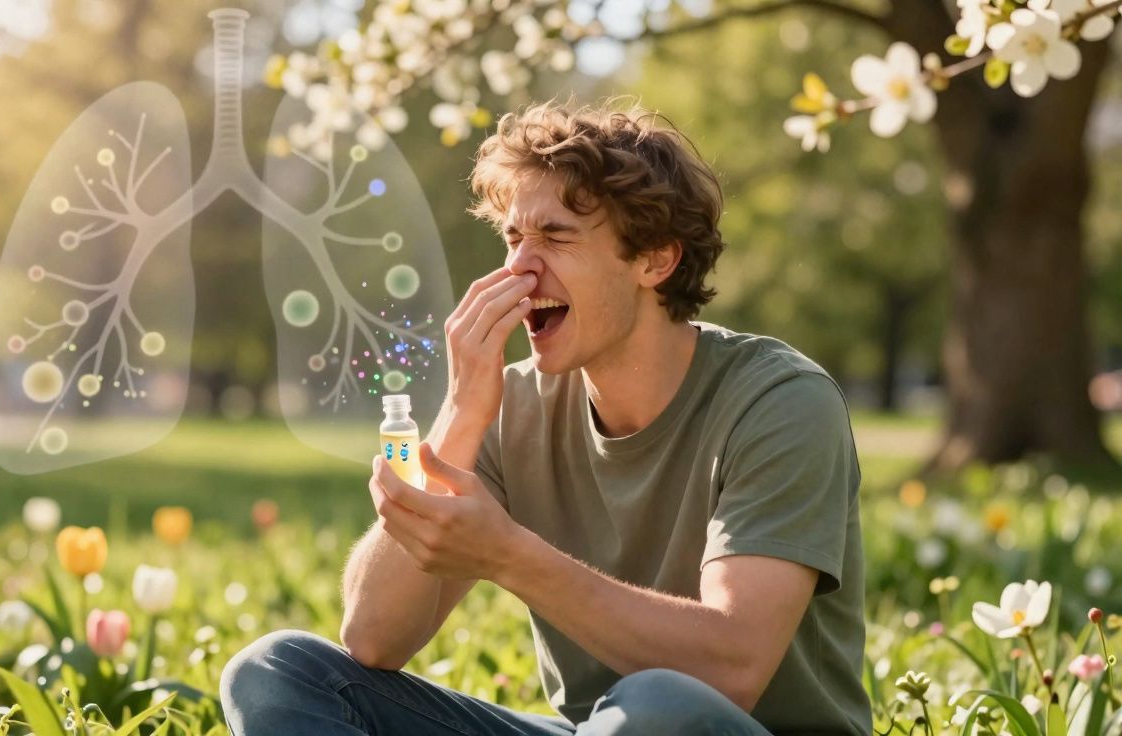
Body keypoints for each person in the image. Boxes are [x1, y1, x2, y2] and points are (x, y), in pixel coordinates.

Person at [220, 100, 872, 735]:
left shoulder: (780, 402)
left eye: (555, 238)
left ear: (655, 259)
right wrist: (460, 413)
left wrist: (510, 556)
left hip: (702, 725)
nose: (519, 270)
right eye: (512, 239)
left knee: (656, 704)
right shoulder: (511, 405)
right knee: (278, 671)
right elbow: (372, 638)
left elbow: (733, 669)